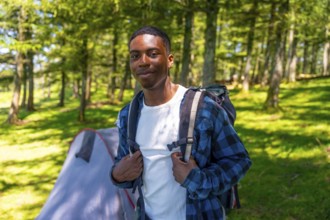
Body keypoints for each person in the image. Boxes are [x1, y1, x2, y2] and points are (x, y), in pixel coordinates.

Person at [110, 26, 251, 220]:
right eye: (135, 56)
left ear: (169, 60)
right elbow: (124, 167)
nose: (143, 62)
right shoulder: (129, 114)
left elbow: (239, 160)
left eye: (152, 54)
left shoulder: (202, 108)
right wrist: (117, 175)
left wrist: (197, 180)